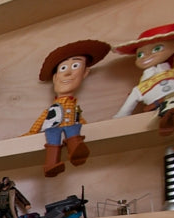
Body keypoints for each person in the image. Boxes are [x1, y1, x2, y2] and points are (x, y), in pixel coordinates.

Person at [25, 39, 111, 177]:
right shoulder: (54, 108)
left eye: (75, 66)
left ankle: (75, 148)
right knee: (56, 139)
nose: (68, 73)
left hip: (68, 126)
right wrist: (31, 133)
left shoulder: (74, 107)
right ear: (54, 78)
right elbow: (41, 120)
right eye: (63, 68)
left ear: (85, 73)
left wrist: (86, 125)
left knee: (73, 128)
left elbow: (79, 118)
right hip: (53, 128)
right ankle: (53, 162)